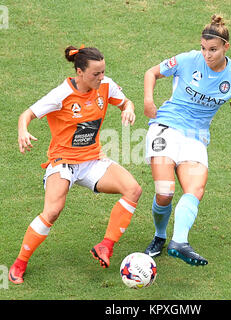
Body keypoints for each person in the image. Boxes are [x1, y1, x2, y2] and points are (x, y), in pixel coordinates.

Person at [143, 15, 231, 266]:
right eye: (204, 48)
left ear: (226, 47)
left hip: (196, 136)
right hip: (165, 127)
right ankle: (159, 236)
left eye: (213, 50)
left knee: (195, 190)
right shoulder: (189, 59)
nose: (207, 54)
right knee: (165, 192)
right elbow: (152, 73)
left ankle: (179, 242)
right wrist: (149, 100)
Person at [8, 45, 142, 284]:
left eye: (103, 72)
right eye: (95, 74)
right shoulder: (61, 95)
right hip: (63, 162)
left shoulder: (106, 85)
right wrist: (23, 131)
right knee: (52, 211)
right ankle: (19, 263)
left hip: (92, 160)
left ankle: (105, 246)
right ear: (80, 72)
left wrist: (128, 110)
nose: (101, 78)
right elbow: (26, 114)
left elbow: (126, 102)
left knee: (133, 190)